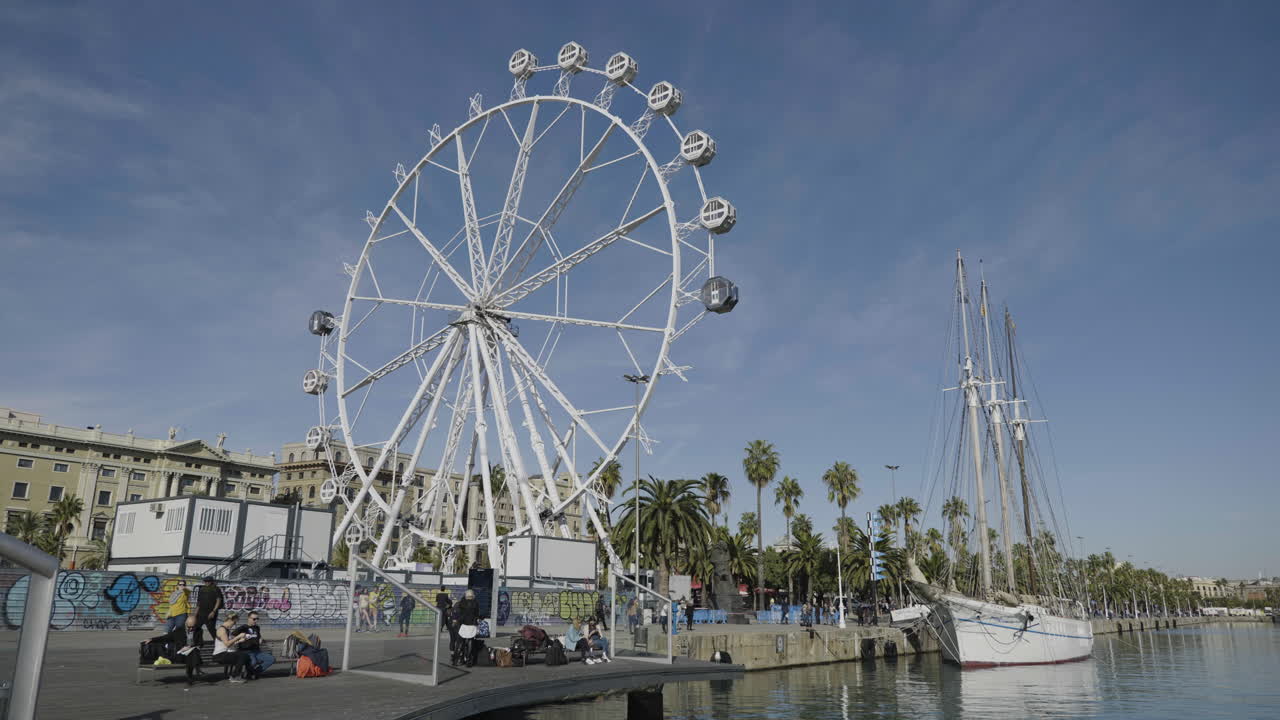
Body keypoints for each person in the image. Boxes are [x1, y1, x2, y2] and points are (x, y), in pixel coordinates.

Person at [145, 614, 203, 685]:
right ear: (185, 623)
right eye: (189, 627)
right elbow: (166, 637)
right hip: (181, 655)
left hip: (191, 653)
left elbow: (201, 643)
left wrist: (191, 646)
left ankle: (191, 674)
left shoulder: (199, 630)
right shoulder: (179, 631)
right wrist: (152, 639)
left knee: (193, 651)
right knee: (193, 654)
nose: (191, 629)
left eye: (193, 627)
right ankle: (195, 671)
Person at [234, 611, 274, 679]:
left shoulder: (257, 628)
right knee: (253, 662)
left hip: (257, 651)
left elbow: (258, 636)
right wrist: (239, 640)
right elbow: (232, 636)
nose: (255, 621)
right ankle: (249, 674)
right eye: (254, 619)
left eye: (257, 619)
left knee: (271, 659)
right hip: (246, 651)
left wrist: (260, 639)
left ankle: (253, 672)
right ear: (248, 618)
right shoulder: (243, 627)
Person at [213, 612, 251, 683]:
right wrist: (238, 637)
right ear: (230, 620)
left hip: (225, 653)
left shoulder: (227, 630)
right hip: (219, 655)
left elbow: (229, 643)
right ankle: (235, 676)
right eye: (234, 623)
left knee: (244, 655)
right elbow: (227, 644)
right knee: (242, 656)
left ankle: (239, 675)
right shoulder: (222, 630)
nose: (234, 625)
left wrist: (240, 640)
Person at [455, 589, 481, 667]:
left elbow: (459, 612)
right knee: (470, 641)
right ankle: (469, 661)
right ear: (473, 595)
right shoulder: (475, 603)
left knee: (460, 642)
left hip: (463, 624)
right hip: (472, 624)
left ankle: (458, 660)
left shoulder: (462, 602)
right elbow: (477, 614)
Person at [196, 577, 224, 641]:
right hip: (201, 613)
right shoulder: (201, 589)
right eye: (206, 581)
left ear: (212, 581)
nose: (207, 582)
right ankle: (198, 642)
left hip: (210, 613)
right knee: (196, 628)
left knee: (211, 629)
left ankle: (219, 642)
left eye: (209, 581)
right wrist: (195, 614)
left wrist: (213, 611)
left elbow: (218, 600)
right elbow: (198, 602)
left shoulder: (216, 589)